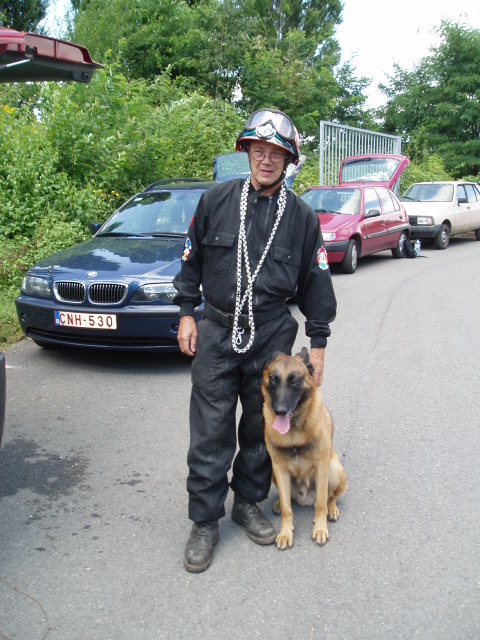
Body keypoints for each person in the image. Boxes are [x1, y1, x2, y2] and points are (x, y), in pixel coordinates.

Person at [173, 108, 337, 573]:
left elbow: (316, 282)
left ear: (288, 161)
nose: (266, 160)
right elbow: (191, 262)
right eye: (258, 151)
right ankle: (204, 522)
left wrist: (318, 342)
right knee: (210, 429)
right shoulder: (216, 200)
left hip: (271, 333)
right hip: (217, 327)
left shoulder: (302, 219)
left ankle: (248, 502)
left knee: (260, 430)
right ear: (246, 152)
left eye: (276, 154)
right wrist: (187, 313)